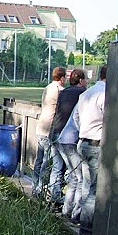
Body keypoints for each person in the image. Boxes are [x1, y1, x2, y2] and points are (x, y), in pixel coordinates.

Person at [48, 69, 88, 211]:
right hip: (67, 135)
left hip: (55, 131)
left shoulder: (64, 91)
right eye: (86, 79)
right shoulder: (82, 93)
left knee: (57, 168)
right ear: (81, 80)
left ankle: (54, 200)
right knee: (76, 175)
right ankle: (71, 209)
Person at [76, 65, 107, 235]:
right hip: (96, 145)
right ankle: (87, 230)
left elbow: (76, 117)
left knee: (87, 186)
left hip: (84, 142)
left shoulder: (86, 93)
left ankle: (80, 220)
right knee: (94, 191)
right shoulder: (104, 95)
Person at [32, 66, 66, 198]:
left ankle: (36, 187)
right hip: (49, 129)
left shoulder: (48, 87)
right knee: (47, 162)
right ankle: (41, 190)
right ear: (62, 78)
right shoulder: (60, 90)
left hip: (40, 127)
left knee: (39, 160)